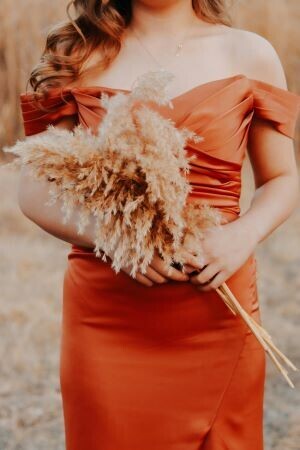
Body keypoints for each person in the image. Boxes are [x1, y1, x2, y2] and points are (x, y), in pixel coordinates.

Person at [17, 1, 300, 449]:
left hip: (218, 313)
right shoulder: (76, 54)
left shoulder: (251, 53)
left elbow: (282, 179)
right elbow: (33, 189)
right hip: (108, 317)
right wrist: (115, 236)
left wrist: (241, 235)